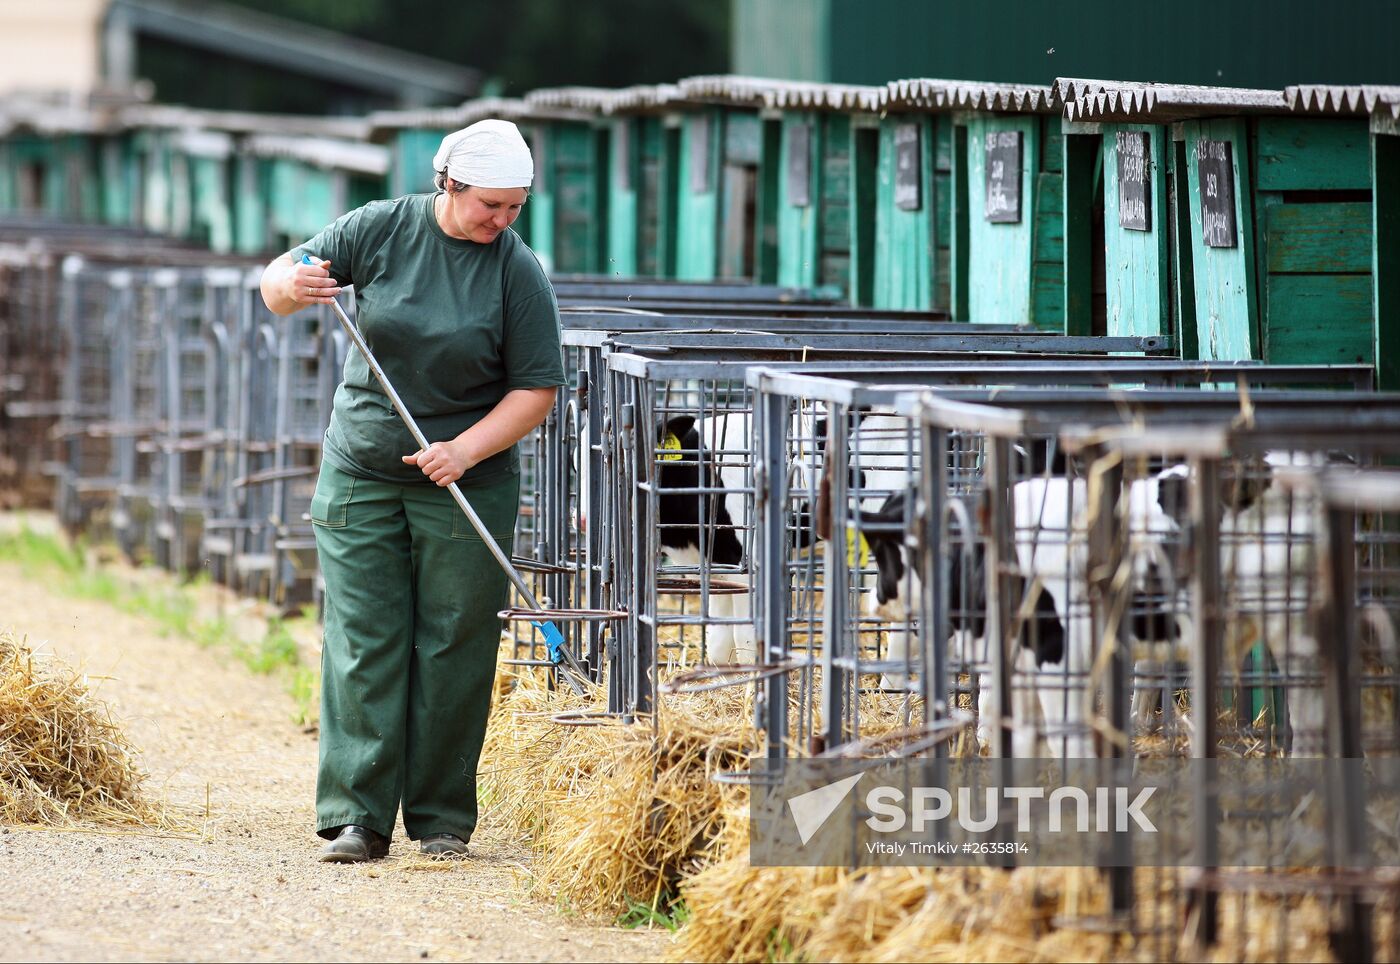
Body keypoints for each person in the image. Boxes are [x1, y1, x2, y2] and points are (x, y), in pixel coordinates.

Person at [259, 119, 564, 862]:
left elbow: (536, 390)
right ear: (449, 185)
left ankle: (442, 818)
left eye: (515, 208)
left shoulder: (516, 271)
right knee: (366, 637)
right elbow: (278, 280)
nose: (502, 221)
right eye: (490, 205)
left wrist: (463, 449)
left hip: (466, 476)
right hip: (364, 465)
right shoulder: (380, 228)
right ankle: (357, 815)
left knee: (455, 641)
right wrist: (291, 284)